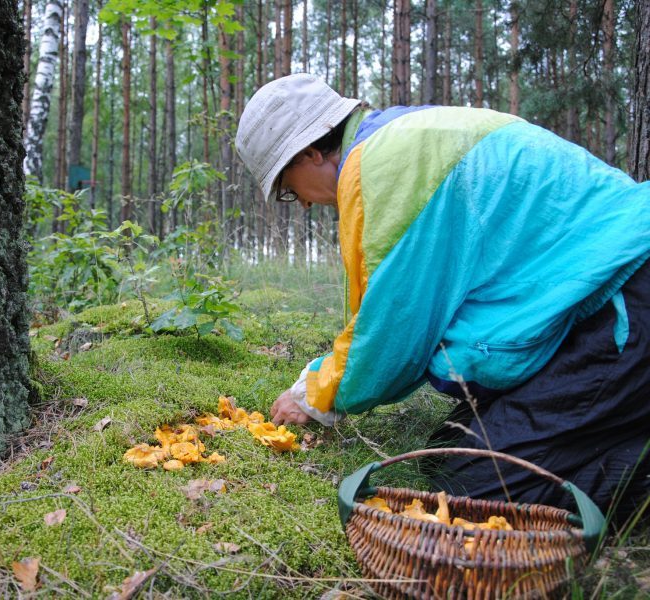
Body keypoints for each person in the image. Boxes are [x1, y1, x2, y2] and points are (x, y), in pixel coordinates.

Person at [235, 73, 650, 521]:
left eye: (287, 188)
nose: (301, 203)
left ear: (311, 152)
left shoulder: (380, 167)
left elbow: (391, 336)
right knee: (443, 452)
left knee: (476, 489)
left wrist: (314, 394)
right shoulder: (405, 137)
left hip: (622, 301)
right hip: (594, 303)